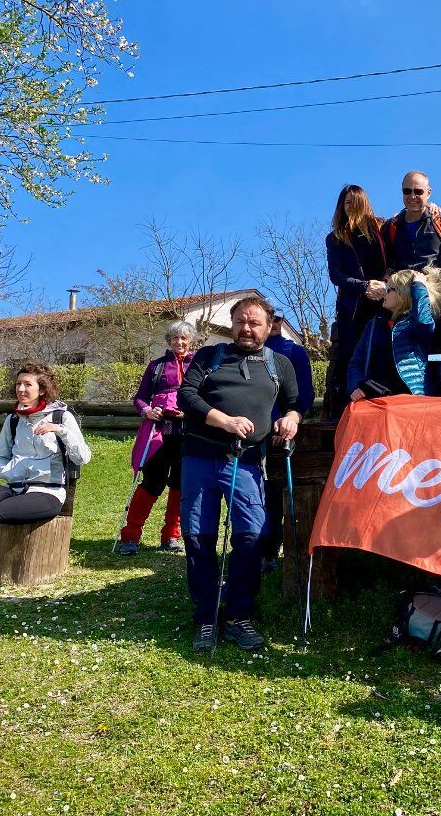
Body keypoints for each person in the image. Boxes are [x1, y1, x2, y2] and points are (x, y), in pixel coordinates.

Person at [177, 296, 302, 652]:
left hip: (246, 462)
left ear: (269, 326)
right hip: (200, 456)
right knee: (199, 537)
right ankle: (205, 616)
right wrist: (224, 420)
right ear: (232, 324)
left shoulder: (280, 364)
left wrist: (290, 420)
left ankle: (238, 614)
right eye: (240, 322)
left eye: (254, 323)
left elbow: (295, 404)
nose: (247, 329)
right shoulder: (209, 357)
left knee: (252, 536)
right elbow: (186, 395)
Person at [0, 362, 92, 611]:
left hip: (47, 493)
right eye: (18, 384)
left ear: (42, 389)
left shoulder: (62, 417)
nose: (21, 389)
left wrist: (60, 431)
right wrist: (12, 471)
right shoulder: (13, 420)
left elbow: (83, 457)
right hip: (15, 488)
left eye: (28, 384)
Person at [118, 322, 197, 556]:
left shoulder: (199, 366)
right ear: (169, 341)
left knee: (180, 485)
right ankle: (130, 536)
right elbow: (140, 398)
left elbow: (207, 397)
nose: (179, 343)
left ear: (190, 341)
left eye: (183, 338)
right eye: (174, 339)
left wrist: (191, 411)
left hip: (188, 435)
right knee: (151, 483)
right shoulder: (156, 366)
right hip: (159, 435)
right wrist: (148, 411)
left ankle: (171, 536)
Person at [325, 184, 387, 419]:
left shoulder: (381, 228)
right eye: (346, 202)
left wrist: (382, 284)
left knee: (379, 351)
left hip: (383, 300)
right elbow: (336, 275)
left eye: (355, 201)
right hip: (352, 307)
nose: (351, 206)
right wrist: (364, 287)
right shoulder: (335, 238)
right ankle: (345, 407)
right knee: (349, 355)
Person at [262, 311, 317, 566]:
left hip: (282, 430)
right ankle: (261, 549)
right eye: (268, 318)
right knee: (258, 496)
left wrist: (287, 422)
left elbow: (304, 393)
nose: (273, 323)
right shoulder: (247, 351)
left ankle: (281, 550)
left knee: (280, 494)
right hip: (253, 432)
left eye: (277, 319)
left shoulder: (294, 352)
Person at [348, 267, 441, 400]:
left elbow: (423, 322)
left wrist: (419, 286)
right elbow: (356, 362)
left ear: (403, 295)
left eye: (389, 289)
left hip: (412, 395)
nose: (384, 293)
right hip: (377, 393)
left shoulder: (415, 323)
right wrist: (354, 386)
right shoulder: (373, 325)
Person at [380, 171, 441, 300]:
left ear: (428, 193)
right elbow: (384, 264)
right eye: (407, 191)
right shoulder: (391, 226)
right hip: (398, 300)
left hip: (432, 298)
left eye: (418, 191)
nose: (412, 196)